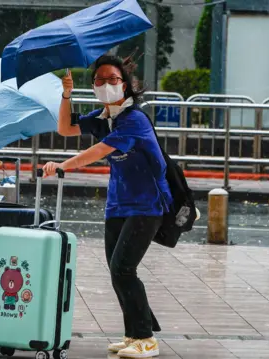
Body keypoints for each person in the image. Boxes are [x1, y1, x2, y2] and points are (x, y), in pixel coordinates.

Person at [43, 55, 172, 358]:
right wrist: (66, 95)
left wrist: (64, 165)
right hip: (118, 205)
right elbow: (65, 127)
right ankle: (133, 334)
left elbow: (99, 150)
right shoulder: (104, 118)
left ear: (125, 85)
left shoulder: (134, 120)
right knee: (117, 272)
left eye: (112, 79)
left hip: (148, 205)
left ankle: (146, 339)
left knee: (123, 268)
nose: (105, 84)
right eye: (99, 80)